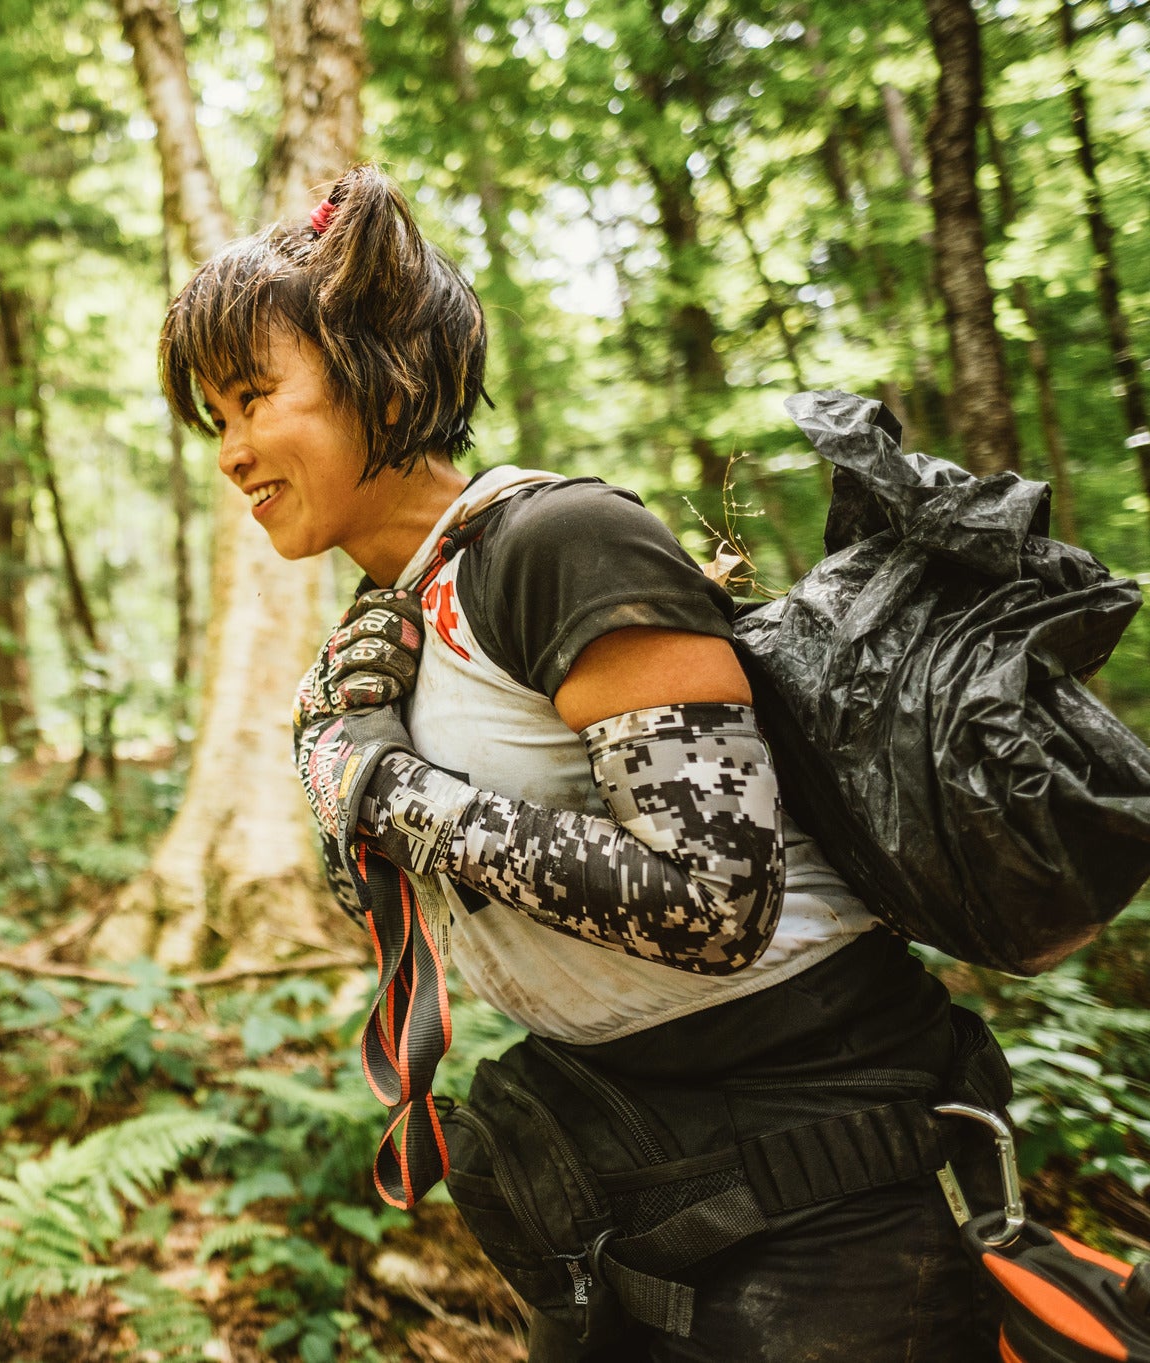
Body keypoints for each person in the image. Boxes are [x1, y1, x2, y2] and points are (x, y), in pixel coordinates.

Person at [157, 163, 1007, 1360]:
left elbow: (719, 901)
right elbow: (420, 907)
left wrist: (384, 785)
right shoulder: (394, 609)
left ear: (378, 370)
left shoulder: (564, 540)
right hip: (624, 1161)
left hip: (823, 1156)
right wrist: (338, 766)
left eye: (253, 396)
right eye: (218, 416)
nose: (234, 450)